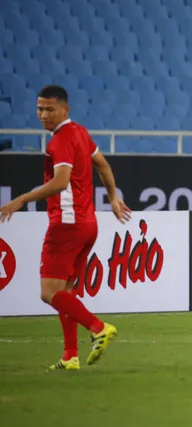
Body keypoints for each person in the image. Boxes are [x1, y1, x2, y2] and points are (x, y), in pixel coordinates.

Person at [0, 85, 131, 369]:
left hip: (67, 224)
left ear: (65, 110)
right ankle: (70, 355)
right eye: (39, 109)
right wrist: (113, 197)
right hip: (87, 224)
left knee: (48, 293)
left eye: (49, 109)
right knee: (66, 291)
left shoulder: (60, 140)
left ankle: (98, 328)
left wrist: (21, 199)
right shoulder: (81, 133)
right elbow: (103, 165)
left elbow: (60, 182)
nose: (43, 115)